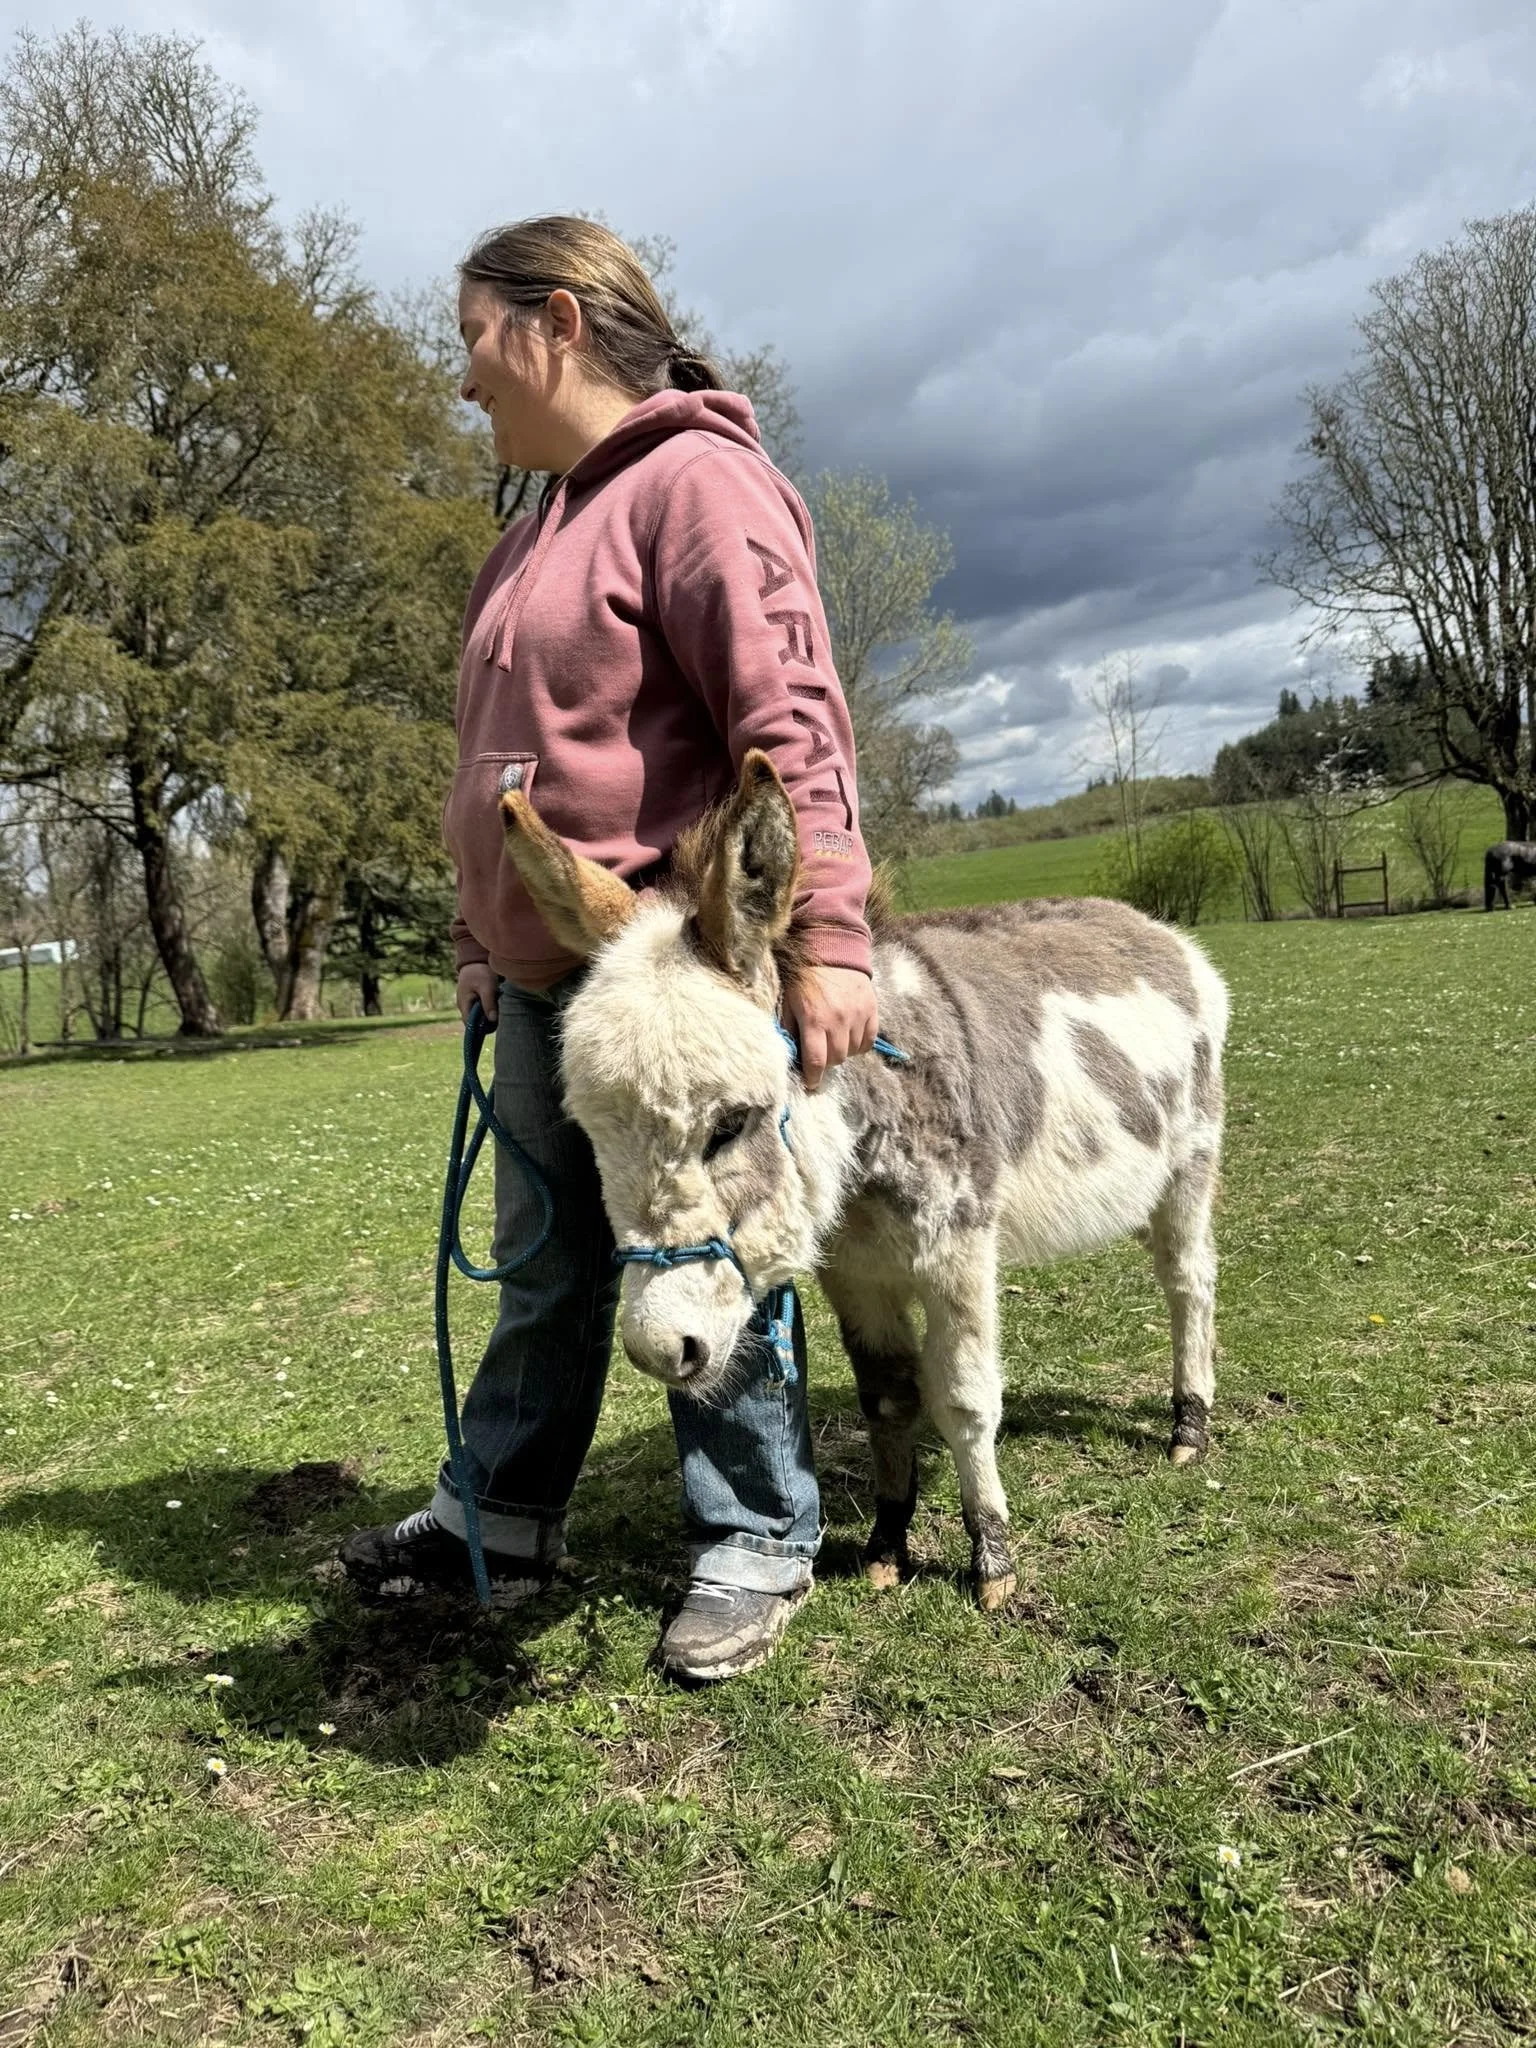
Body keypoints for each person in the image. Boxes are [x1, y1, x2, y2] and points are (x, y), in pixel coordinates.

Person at [339, 216, 877, 1681]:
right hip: (535, 979)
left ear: (556, 323)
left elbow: (792, 722)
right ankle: (503, 1513)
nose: (463, 383)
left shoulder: (700, 486)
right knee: (545, 1265)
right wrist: (474, 938)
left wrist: (829, 938)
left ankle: (760, 1529)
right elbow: (494, 766)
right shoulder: (527, 533)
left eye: (471, 340)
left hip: (662, 979)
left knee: (697, 1239)